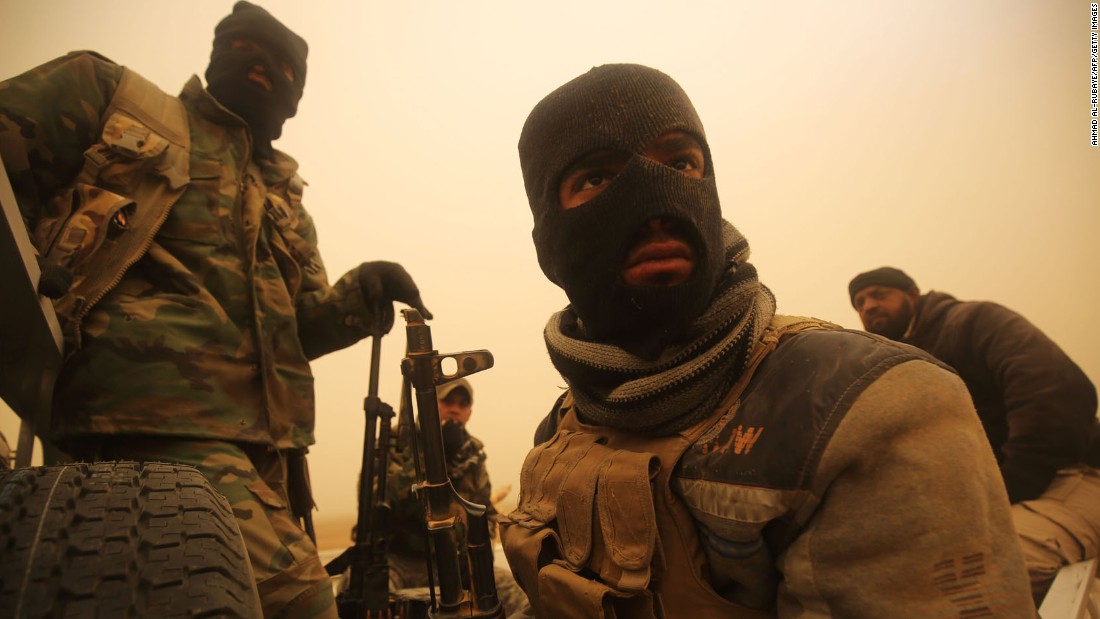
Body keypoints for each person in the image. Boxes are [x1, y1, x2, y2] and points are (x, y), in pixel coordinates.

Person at [498, 63, 1036, 617]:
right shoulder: (566, 424)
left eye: (681, 162)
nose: (655, 206)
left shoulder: (867, 404)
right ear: (549, 239)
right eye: (598, 178)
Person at [0, 3, 431, 616]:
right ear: (217, 53)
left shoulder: (287, 204)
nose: (264, 68)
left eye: (285, 67)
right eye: (246, 48)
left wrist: (361, 294)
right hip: (146, 419)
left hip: (273, 456)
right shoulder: (113, 98)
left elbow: (301, 327)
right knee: (300, 603)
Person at [849, 266, 1100, 602]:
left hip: (1071, 478)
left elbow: (1056, 394)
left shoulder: (972, 321)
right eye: (859, 303)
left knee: (967, 580)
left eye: (879, 294)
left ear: (912, 294)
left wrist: (1005, 489)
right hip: (988, 503)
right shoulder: (892, 368)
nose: (868, 307)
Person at [385, 377, 530, 616]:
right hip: (402, 561)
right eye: (447, 401)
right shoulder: (397, 442)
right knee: (372, 594)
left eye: (463, 404)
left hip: (456, 564)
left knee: (519, 594)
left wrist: (477, 565)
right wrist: (434, 455)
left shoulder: (472, 453)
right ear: (430, 405)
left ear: (469, 412)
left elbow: (485, 511)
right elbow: (388, 504)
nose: (455, 409)